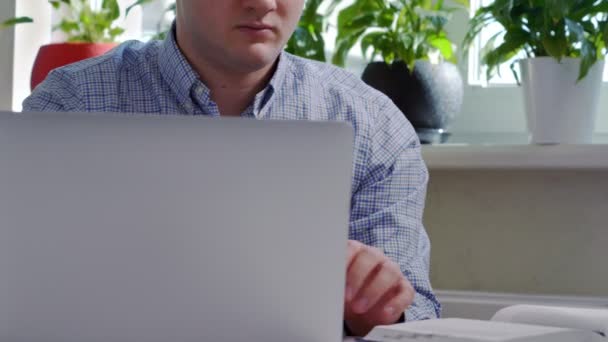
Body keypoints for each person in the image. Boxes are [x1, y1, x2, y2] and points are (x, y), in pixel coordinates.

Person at [23, 0, 440, 336]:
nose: (261, 4)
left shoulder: (372, 124)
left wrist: (378, 308)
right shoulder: (69, 103)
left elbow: (416, 316)